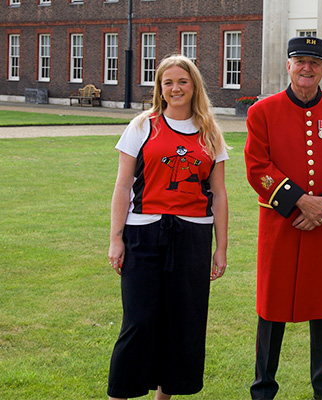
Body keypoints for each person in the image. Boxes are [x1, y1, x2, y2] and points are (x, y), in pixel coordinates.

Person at [243, 37, 322, 400]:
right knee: (271, 308)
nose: (307, 68)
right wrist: (298, 202)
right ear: (289, 66)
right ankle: (263, 387)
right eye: (300, 61)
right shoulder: (262, 111)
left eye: (314, 62)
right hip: (280, 225)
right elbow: (257, 167)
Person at [107, 54, 229, 400]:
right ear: (160, 88)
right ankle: (120, 394)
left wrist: (221, 247)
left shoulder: (209, 132)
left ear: (194, 87)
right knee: (139, 321)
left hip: (192, 236)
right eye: (168, 82)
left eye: (182, 82)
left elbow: (218, 194)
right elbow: (122, 185)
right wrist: (117, 239)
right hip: (144, 233)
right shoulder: (143, 126)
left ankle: (165, 396)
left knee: (182, 322)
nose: (175, 88)